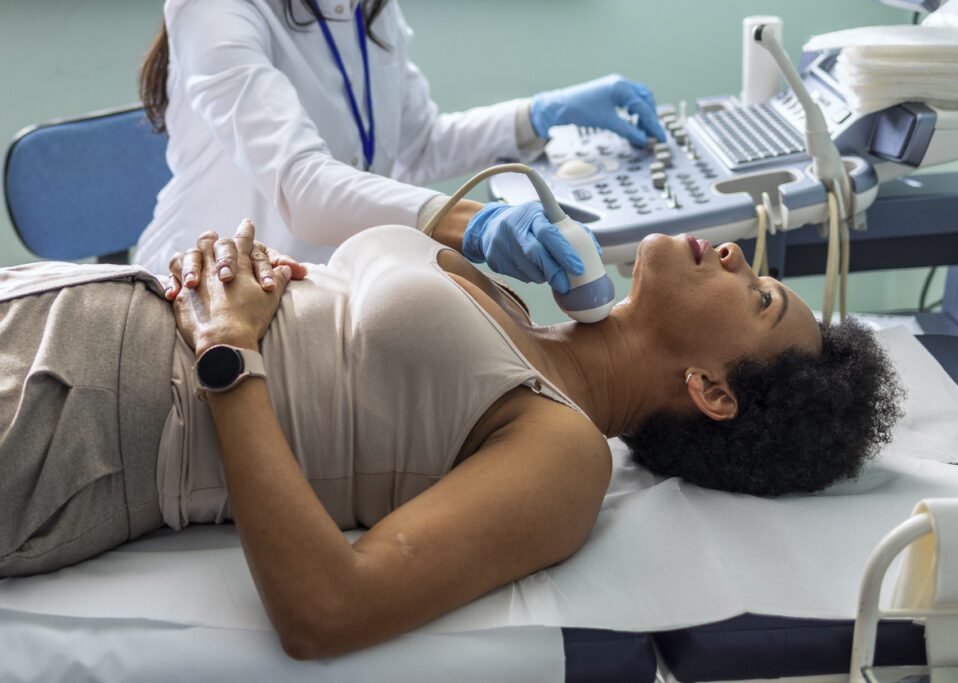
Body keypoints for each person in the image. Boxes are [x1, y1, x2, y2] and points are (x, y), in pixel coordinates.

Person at [0, 220, 901, 659]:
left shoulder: (564, 453)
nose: (738, 256)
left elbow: (327, 609)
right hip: (57, 301)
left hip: (71, 423)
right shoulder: (512, 302)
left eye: (758, 297)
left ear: (711, 391)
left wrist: (229, 353)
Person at [133, 0, 666, 296]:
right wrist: (472, 223)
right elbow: (302, 187)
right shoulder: (215, 8)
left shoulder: (368, 8)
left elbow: (418, 144)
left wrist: (539, 114)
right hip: (209, 292)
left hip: (328, 288)